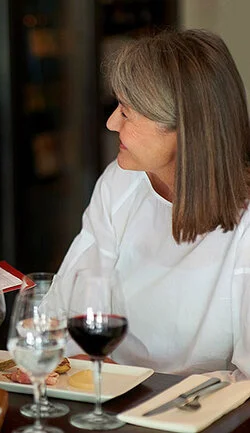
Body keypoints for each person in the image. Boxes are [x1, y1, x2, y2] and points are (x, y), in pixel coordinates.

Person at [48, 29, 250, 380]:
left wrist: (142, 390)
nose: (111, 123)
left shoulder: (244, 226)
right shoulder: (120, 182)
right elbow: (68, 306)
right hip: (110, 399)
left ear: (185, 128)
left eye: (127, 112)